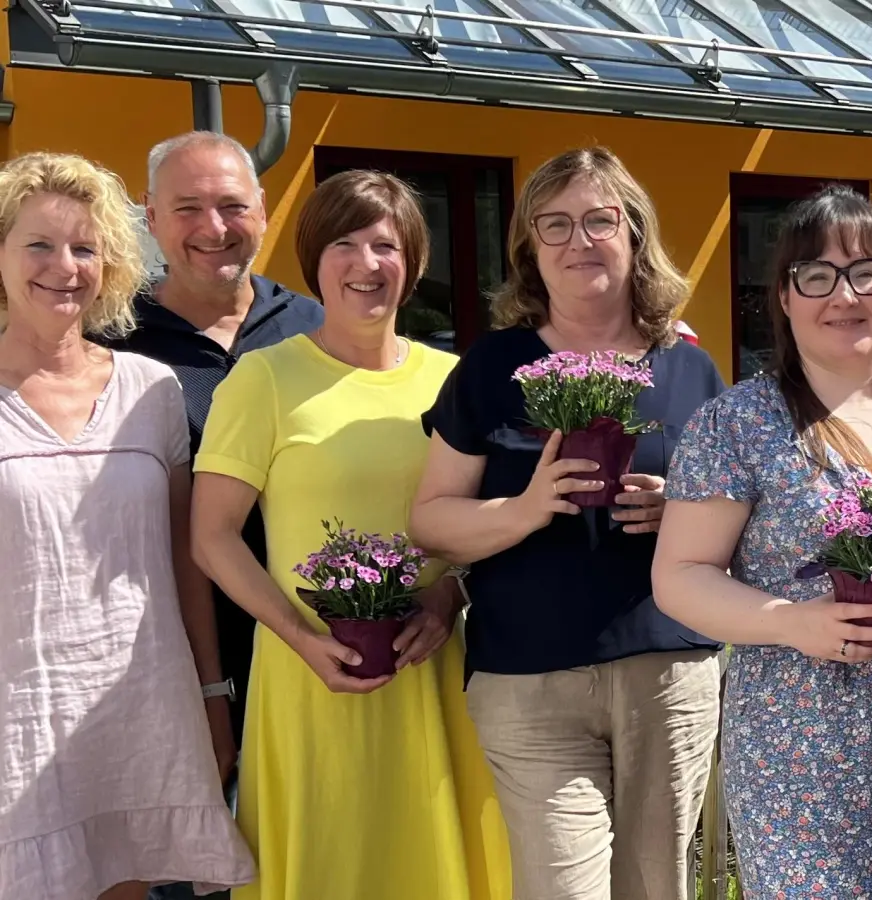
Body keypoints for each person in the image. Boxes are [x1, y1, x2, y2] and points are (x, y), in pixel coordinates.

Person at [652, 185, 872, 897]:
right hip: (799, 748)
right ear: (785, 298)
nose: (844, 294)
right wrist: (793, 621)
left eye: (867, 271)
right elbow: (681, 574)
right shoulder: (739, 423)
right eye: (817, 274)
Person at [408, 147, 723, 900]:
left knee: (657, 886)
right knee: (563, 887)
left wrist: (682, 509)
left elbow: (741, 520)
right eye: (554, 225)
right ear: (530, 249)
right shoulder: (493, 367)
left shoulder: (689, 369)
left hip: (667, 671)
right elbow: (431, 521)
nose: (578, 241)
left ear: (635, 234)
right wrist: (525, 509)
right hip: (529, 676)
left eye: (599, 220)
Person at [189, 169, 510, 900]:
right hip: (310, 680)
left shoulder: (455, 380)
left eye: (386, 246)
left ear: (414, 264)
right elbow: (212, 538)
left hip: (433, 673)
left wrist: (447, 598)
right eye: (344, 244)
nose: (367, 264)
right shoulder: (264, 380)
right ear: (314, 261)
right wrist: (299, 640)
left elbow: (487, 526)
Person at [0, 152, 255, 899]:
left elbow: (184, 558)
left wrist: (212, 696)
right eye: (39, 244)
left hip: (142, 708)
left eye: (84, 247)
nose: (64, 267)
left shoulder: (152, 389)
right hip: (21, 714)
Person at [94, 129, 322, 785]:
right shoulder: (108, 345)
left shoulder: (317, 329)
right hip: (160, 664)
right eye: (187, 208)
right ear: (151, 216)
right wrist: (206, 688)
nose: (213, 228)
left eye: (231, 205)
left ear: (264, 208)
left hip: (316, 647)